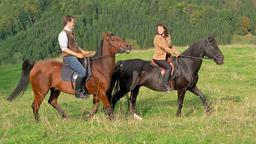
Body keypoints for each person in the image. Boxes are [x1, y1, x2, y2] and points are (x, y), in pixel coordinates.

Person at [58, 15, 94, 99]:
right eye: (73, 22)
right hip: (69, 58)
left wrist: (82, 51)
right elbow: (64, 49)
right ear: (68, 22)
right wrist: (77, 54)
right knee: (83, 72)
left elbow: (75, 47)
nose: (74, 23)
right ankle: (78, 92)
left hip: (74, 56)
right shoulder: (63, 34)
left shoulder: (71, 33)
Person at [152, 23, 180, 91]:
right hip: (158, 58)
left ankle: (174, 82)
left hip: (167, 57)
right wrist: (173, 53)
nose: (159, 30)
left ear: (164, 29)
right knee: (169, 67)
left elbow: (171, 46)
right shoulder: (156, 38)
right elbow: (164, 48)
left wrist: (178, 53)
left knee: (177, 63)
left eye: (161, 28)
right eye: (158, 28)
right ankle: (165, 85)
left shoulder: (168, 36)